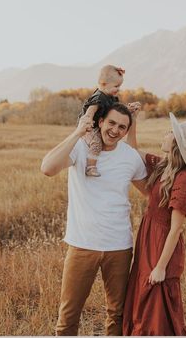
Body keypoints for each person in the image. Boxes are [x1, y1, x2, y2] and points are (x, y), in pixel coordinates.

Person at [41, 102, 147, 336]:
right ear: (100, 122)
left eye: (122, 126)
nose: (115, 130)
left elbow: (150, 192)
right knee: (68, 316)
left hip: (119, 246)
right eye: (111, 123)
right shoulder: (81, 148)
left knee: (117, 314)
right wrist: (79, 132)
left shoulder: (130, 157)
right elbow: (47, 168)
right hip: (82, 245)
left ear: (127, 130)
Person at [123, 111, 186, 336]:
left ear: (177, 143)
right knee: (143, 297)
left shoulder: (184, 178)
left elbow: (176, 227)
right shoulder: (163, 166)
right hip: (148, 239)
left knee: (156, 302)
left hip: (162, 245)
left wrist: (160, 267)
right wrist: (132, 120)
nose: (166, 134)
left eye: (170, 132)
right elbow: (131, 152)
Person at [78, 64, 125, 177]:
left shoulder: (110, 97)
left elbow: (116, 110)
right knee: (97, 143)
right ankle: (90, 167)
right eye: (116, 86)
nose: (118, 89)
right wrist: (87, 119)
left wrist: (127, 108)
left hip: (99, 125)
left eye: (120, 86)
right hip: (89, 128)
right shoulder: (99, 97)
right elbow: (91, 110)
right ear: (104, 84)